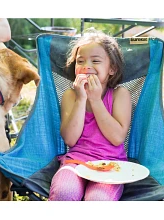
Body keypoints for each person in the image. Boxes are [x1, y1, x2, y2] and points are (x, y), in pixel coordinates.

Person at [49, 30, 132, 201]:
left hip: (111, 165)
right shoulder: (70, 96)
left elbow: (117, 138)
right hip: (75, 162)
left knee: (98, 200)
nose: (86, 66)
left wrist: (95, 100)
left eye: (95, 61)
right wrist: (81, 99)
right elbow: (70, 140)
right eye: (80, 61)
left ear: (112, 69)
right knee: (64, 192)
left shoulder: (120, 95)